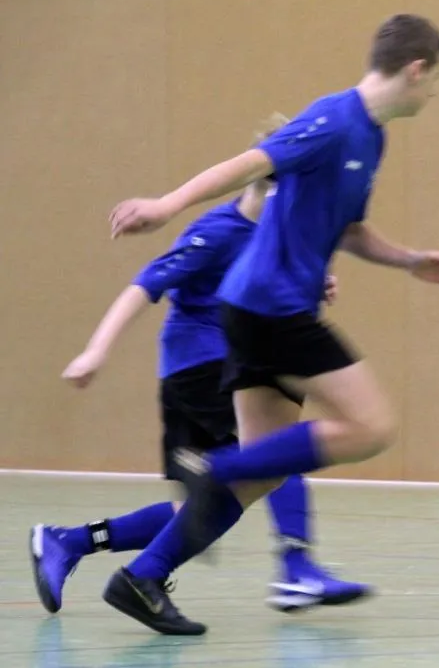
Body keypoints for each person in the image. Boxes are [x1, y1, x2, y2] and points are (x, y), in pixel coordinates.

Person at [104, 13, 439, 635]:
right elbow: (250, 163)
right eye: (436, 78)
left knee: (263, 470)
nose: (436, 91)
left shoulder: (372, 139)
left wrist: (412, 261)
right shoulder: (333, 119)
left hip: (262, 309)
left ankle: (143, 576)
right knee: (372, 426)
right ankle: (213, 468)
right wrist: (166, 205)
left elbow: (349, 230)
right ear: (415, 70)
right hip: (269, 305)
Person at [30, 113, 371, 618]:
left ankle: (70, 541)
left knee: (220, 500)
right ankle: (296, 570)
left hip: (233, 363)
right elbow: (145, 285)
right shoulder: (217, 232)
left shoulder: (281, 235)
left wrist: (317, 282)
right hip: (199, 364)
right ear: (271, 184)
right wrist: (96, 350)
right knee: (276, 453)